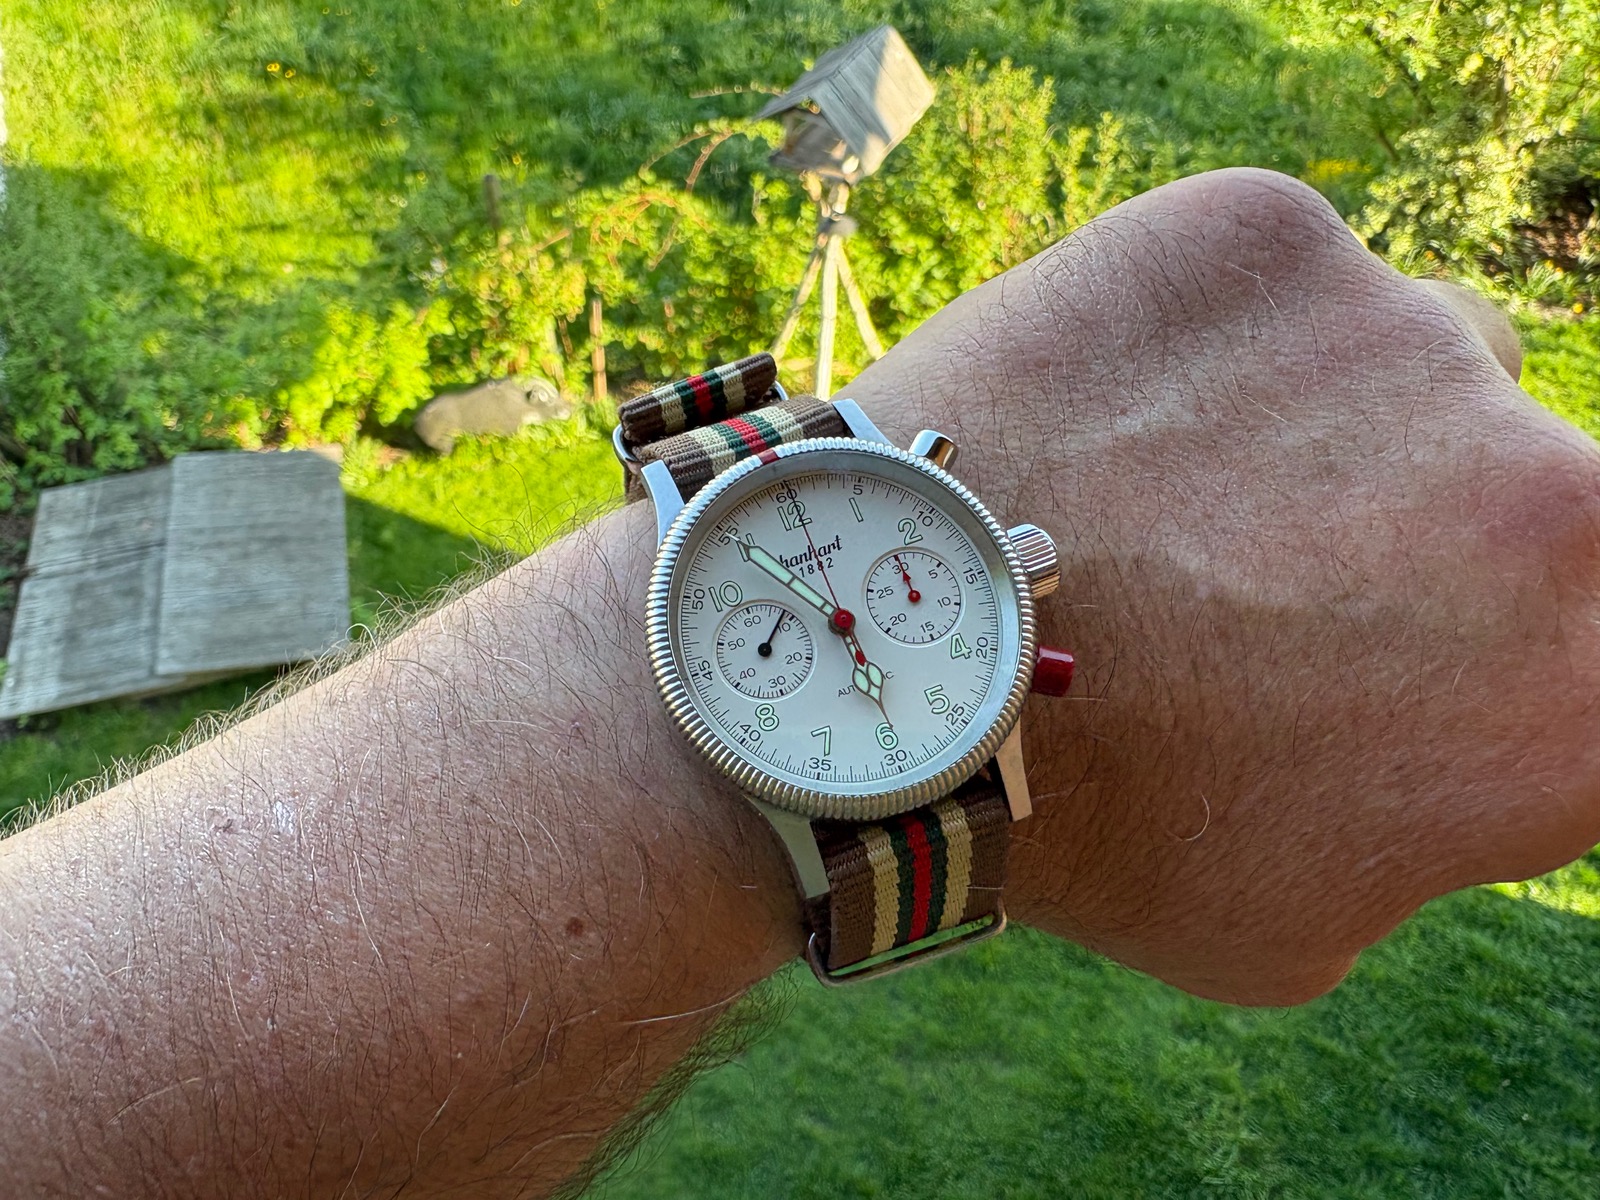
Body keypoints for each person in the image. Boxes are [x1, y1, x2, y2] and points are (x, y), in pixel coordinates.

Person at [1, 167, 1594, 1197]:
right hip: (819, 683)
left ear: (1007, 565)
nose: (855, 621)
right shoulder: (747, 546)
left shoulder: (966, 570)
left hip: (898, 699)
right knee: (755, 583)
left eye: (917, 584)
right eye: (869, 604)